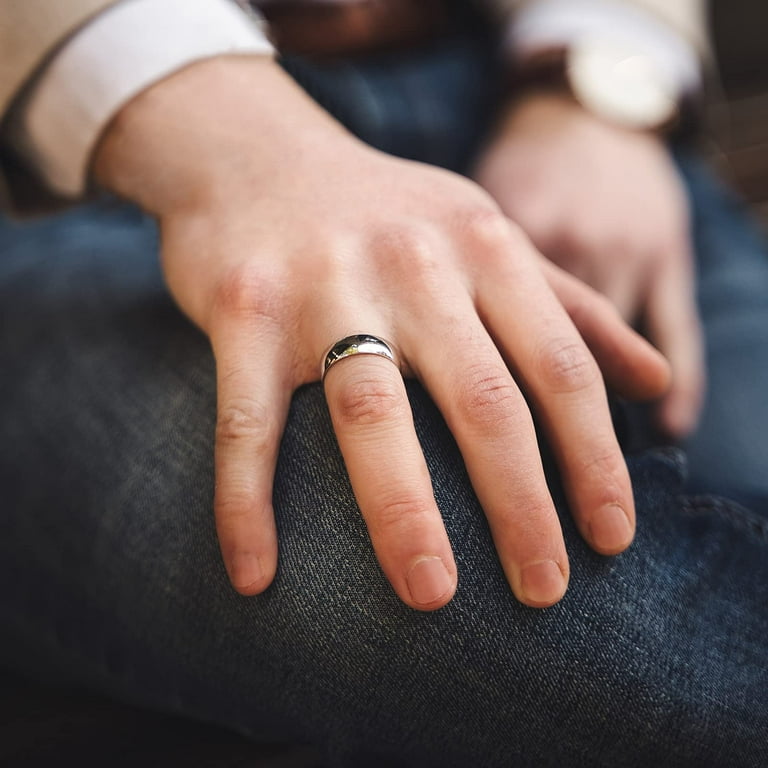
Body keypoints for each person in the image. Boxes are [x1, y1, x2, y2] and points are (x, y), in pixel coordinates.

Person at [1, 0, 767, 765]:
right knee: (436, 580)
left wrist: (594, 87)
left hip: (519, 88)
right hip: (64, 180)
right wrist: (230, 141)